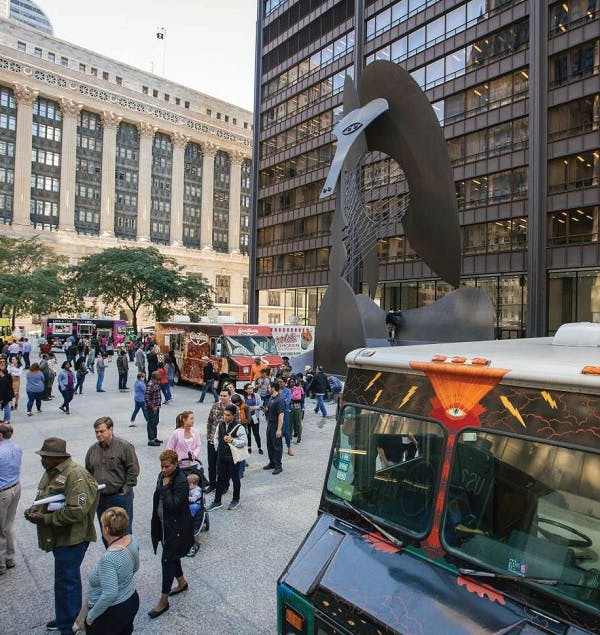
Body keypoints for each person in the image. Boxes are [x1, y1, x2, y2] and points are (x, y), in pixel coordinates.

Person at [24, 437, 99, 635]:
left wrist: (45, 519)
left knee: (68, 581)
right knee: (63, 579)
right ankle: (65, 617)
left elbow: (77, 510)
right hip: (60, 537)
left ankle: (70, 625)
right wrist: (33, 510)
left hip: (73, 538)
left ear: (55, 458)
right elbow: (46, 497)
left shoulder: (74, 475)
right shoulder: (52, 472)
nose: (42, 460)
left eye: (45, 457)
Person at [76, 507, 140, 634]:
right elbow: (136, 567)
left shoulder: (108, 559)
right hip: (131, 600)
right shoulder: (132, 539)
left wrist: (90, 617)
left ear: (105, 529)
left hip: (112, 612)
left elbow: (109, 594)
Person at [149, 449, 193, 619]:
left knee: (167, 560)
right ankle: (182, 582)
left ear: (175, 465)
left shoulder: (181, 481)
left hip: (176, 529)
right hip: (163, 525)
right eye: (161, 466)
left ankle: (163, 600)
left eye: (167, 466)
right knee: (172, 556)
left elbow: (175, 505)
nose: (163, 469)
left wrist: (166, 487)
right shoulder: (163, 475)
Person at [85, 417, 140, 547]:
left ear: (111, 429)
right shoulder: (92, 450)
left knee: (124, 532)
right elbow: (88, 472)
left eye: (102, 431)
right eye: (96, 432)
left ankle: (126, 560)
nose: (99, 434)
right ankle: (111, 556)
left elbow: (133, 469)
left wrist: (125, 489)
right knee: (106, 532)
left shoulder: (124, 446)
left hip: (119, 497)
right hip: (100, 498)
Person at [206, 404, 247, 511]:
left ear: (233, 415)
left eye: (228, 415)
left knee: (235, 479)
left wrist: (233, 440)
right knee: (220, 478)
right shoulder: (220, 425)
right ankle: (217, 501)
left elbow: (244, 442)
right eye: (224, 415)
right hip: (221, 457)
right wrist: (217, 449)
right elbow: (216, 437)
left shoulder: (239, 427)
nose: (225, 417)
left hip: (233, 458)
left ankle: (235, 499)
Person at [0, 422, 21, 575]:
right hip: (15, 487)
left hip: (3, 492)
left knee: (1, 529)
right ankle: (10, 557)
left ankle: (0, 564)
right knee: (9, 524)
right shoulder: (17, 447)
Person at [205, 389, 233, 493]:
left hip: (225, 442)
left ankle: (224, 486)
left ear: (229, 396)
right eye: (221, 395)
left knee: (224, 466)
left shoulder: (234, 408)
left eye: (225, 396)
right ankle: (212, 484)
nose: (222, 397)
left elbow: (237, 425)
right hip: (212, 440)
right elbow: (210, 421)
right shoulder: (215, 406)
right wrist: (209, 437)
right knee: (211, 464)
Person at [263, 381, 285, 475]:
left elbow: (281, 415)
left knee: (277, 446)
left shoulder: (279, 399)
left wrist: (279, 429)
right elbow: (269, 408)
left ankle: (278, 466)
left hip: (276, 425)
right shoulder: (271, 397)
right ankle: (272, 462)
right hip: (270, 424)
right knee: (270, 445)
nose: (268, 389)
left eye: (269, 387)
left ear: (273, 388)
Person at [243, 383, 263, 454]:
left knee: (256, 433)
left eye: (252, 388)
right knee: (248, 433)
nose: (251, 389)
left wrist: (254, 407)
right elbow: (242, 406)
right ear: (246, 390)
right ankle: (249, 447)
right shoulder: (243, 397)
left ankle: (259, 447)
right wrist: (248, 408)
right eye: (249, 388)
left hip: (255, 417)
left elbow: (261, 404)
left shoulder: (256, 395)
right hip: (246, 418)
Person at [145, 371, 163, 446]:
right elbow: (146, 397)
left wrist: (158, 405)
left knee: (155, 422)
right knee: (151, 423)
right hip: (151, 408)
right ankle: (151, 439)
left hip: (157, 407)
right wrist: (153, 406)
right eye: (158, 377)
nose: (160, 378)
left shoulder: (156, 383)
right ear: (155, 377)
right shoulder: (150, 385)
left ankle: (155, 437)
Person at [280, 378, 294, 456]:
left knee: (286, 430)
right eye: (278, 382)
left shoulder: (288, 391)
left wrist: (279, 401)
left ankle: (289, 448)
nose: (280, 383)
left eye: (281, 382)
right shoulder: (276, 390)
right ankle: (278, 448)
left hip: (285, 412)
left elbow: (287, 402)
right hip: (277, 412)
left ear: (285, 383)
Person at [289, 378, 305, 443]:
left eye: (293, 382)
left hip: (298, 408)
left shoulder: (300, 389)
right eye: (291, 382)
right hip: (291, 408)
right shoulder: (290, 390)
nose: (292, 383)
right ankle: (289, 438)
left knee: (298, 424)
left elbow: (302, 400)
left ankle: (299, 438)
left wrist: (302, 408)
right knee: (290, 423)